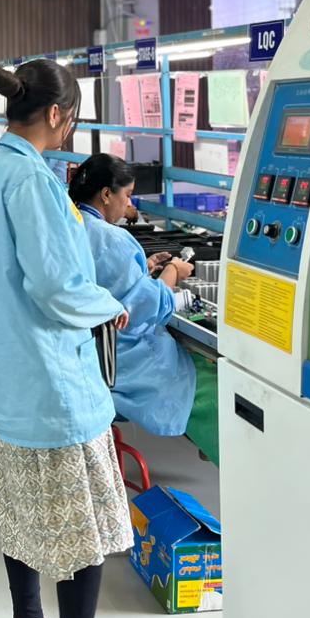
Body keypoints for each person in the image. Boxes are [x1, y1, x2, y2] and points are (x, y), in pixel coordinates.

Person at [0, 59, 136, 618]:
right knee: (79, 536)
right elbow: (58, 286)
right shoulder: (33, 179)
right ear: (59, 114)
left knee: (22, 514)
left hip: (5, 373)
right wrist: (108, 305)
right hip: (48, 382)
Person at [69, 155, 203, 446]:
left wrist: (142, 268)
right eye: (127, 195)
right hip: (120, 359)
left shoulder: (71, 224)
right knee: (203, 377)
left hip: (83, 351)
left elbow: (106, 283)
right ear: (107, 194)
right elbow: (151, 307)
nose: (128, 204)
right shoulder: (113, 239)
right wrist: (172, 271)